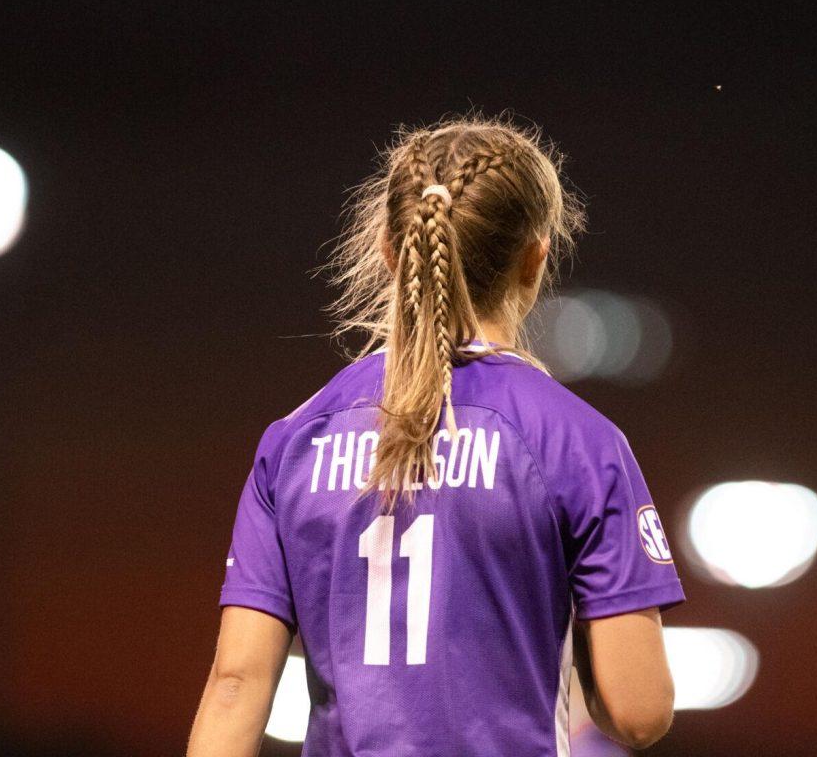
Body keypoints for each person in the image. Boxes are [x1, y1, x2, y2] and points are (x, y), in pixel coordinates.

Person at [187, 113, 685, 756]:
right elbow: (639, 714)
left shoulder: (293, 440)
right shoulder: (579, 442)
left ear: (392, 252)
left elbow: (234, 689)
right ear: (535, 258)